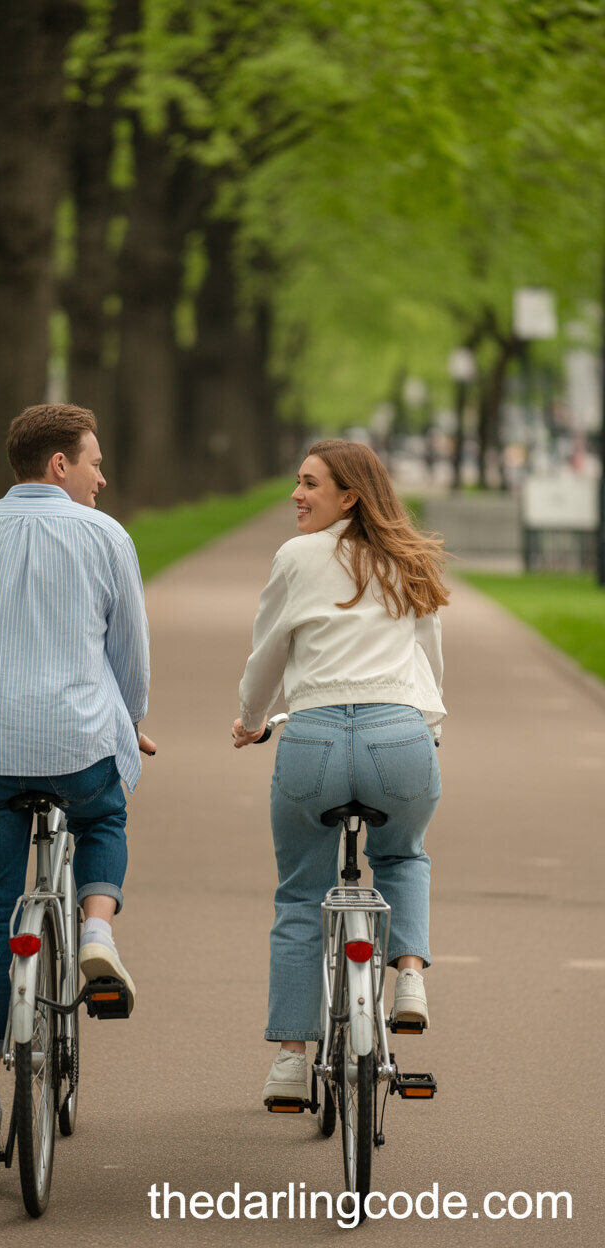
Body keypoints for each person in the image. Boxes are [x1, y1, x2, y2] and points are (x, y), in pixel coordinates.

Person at [0, 403, 155, 1156]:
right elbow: (130, 657)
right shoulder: (105, 536)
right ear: (60, 465)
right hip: (77, 746)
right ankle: (95, 930)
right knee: (105, 818)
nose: (102, 477)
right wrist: (129, 723)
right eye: (93, 462)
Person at [232, 439, 447, 1106]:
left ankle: (291, 1062)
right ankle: (407, 974)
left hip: (315, 739)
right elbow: (428, 663)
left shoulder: (297, 558)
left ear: (349, 494)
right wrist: (428, 730)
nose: (297, 495)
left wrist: (251, 717)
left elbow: (269, 651)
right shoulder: (407, 558)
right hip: (399, 735)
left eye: (310, 484)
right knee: (403, 857)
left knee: (301, 896)